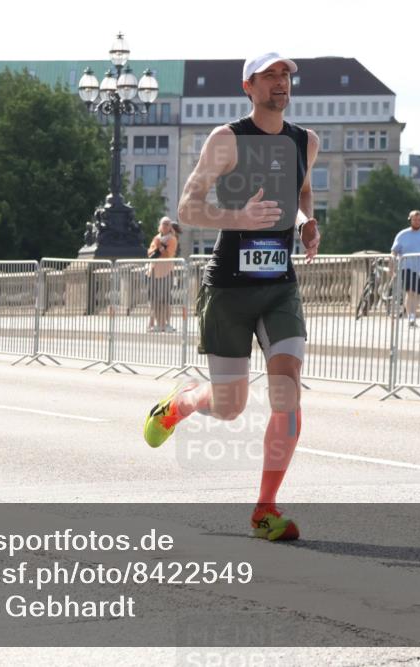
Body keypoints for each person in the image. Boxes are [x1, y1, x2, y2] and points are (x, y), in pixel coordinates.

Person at [142, 52, 321, 541]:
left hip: (279, 286)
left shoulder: (306, 140)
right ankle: (180, 403)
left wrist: (306, 224)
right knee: (230, 405)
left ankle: (265, 509)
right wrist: (240, 218)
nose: (280, 83)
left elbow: (301, 193)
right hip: (229, 288)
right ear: (249, 86)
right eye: (269, 76)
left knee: (286, 390)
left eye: (285, 75)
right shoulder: (227, 139)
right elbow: (188, 207)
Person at [391, 210, 420, 327]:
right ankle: (411, 317)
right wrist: (392, 263)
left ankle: (412, 314)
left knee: (417, 293)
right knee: (410, 292)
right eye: (415, 220)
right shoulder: (402, 234)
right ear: (410, 220)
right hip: (408, 266)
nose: (417, 222)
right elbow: (394, 251)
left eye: (419, 220)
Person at [146, 217, 180, 333]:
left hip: (165, 271)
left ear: (170, 227)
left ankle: (166, 323)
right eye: (163, 224)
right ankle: (155, 323)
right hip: (153, 271)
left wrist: (160, 248)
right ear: (160, 225)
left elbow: (167, 255)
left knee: (164, 299)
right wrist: (159, 249)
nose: (165, 226)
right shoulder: (156, 238)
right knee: (154, 299)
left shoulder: (172, 239)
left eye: (167, 224)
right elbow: (150, 252)